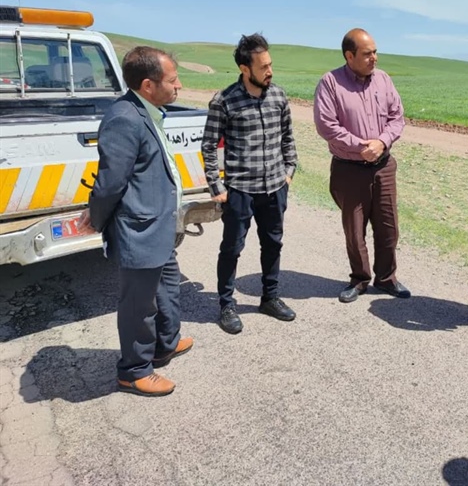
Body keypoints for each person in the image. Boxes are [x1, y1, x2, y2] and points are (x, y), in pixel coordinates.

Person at [77, 46, 193, 397]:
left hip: (159, 226)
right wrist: (96, 219)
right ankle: (134, 370)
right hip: (140, 231)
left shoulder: (148, 111)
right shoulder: (124, 118)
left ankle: (164, 344)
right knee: (138, 306)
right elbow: (111, 181)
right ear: (147, 84)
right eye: (172, 80)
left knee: (167, 290)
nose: (179, 86)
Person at [201, 33, 298, 334]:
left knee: (273, 244)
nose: (270, 71)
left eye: (271, 64)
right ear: (245, 68)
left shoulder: (278, 97)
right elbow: (207, 147)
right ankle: (226, 305)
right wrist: (217, 188)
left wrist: (289, 170)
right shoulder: (224, 101)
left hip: (274, 188)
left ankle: (270, 297)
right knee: (232, 248)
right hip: (240, 190)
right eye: (263, 66)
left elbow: (288, 138)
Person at [313, 28, 408, 303]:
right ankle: (360, 279)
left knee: (389, 228)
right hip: (349, 168)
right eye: (367, 54)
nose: (374, 58)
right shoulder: (330, 83)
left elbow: (397, 117)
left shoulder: (384, 80)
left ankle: (387, 278)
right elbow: (326, 126)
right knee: (355, 231)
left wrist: (381, 142)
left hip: (383, 166)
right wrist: (360, 146)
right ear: (349, 55)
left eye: (375, 52)